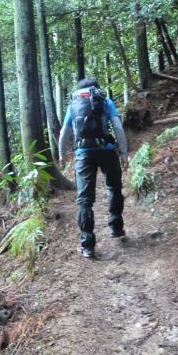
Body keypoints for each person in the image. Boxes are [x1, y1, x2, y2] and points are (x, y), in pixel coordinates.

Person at [58, 78, 128, 259]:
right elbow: (118, 127)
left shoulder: (73, 104)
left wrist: (61, 153)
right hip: (107, 151)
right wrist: (124, 153)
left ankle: (87, 245)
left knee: (84, 200)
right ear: (96, 89)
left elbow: (64, 132)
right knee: (114, 187)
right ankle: (116, 227)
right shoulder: (105, 101)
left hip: (83, 154)